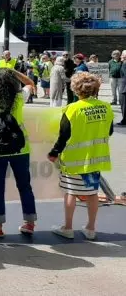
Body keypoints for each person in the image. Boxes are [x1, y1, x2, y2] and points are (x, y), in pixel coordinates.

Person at [48, 72, 113, 240]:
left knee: (71, 192)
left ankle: (67, 227)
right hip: (95, 157)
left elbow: (64, 135)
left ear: (76, 90)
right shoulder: (106, 107)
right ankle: (91, 228)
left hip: (74, 160)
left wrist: (54, 152)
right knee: (91, 193)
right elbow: (110, 131)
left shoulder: (72, 109)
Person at [0, 68, 37, 238]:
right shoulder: (18, 98)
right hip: (20, 148)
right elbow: (30, 84)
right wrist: (12, 72)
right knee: (24, 185)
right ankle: (29, 222)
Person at [119, 51, 126, 126]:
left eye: (122, 55)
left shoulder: (124, 64)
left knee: (123, 105)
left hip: (124, 88)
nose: (120, 56)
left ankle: (124, 120)